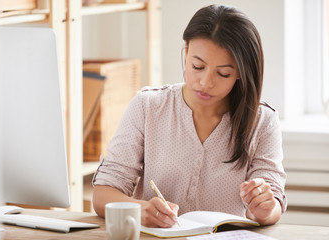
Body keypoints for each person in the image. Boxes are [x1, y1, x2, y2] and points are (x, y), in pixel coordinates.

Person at [92, 4, 287, 228]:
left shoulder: (262, 121)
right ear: (186, 52)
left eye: (223, 73)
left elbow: (273, 205)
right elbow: (104, 193)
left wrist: (264, 207)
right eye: (197, 66)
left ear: (241, 73)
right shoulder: (148, 106)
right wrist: (138, 209)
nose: (205, 82)